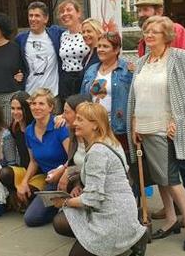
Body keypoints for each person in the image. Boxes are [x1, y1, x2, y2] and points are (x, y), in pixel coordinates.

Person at [127, 16, 185, 252]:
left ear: (167, 36)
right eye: (147, 32)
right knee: (160, 177)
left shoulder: (179, 57)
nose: (149, 36)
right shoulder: (141, 62)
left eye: (155, 32)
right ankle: (170, 219)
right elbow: (135, 96)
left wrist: (177, 121)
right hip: (144, 129)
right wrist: (134, 125)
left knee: (170, 179)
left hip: (165, 128)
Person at [52, 102, 148, 256]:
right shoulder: (110, 141)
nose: (75, 123)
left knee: (63, 224)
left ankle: (132, 237)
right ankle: (132, 234)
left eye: (80, 119)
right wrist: (80, 186)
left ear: (95, 125)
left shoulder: (97, 151)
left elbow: (93, 199)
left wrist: (64, 201)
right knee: (61, 221)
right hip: (123, 208)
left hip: (112, 216)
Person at [17, 88, 69, 227]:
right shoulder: (29, 130)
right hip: (48, 180)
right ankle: (58, 207)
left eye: (41, 104)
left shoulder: (60, 126)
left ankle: (64, 207)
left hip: (66, 177)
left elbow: (72, 158)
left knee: (32, 218)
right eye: (33, 104)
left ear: (50, 107)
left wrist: (62, 172)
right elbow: (33, 161)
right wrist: (24, 182)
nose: (36, 107)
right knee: (31, 219)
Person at [80, 32, 133, 152]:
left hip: (117, 127)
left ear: (116, 49)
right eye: (99, 46)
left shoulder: (127, 70)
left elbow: (136, 99)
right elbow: (83, 97)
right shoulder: (91, 69)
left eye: (105, 46)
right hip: (94, 127)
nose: (100, 50)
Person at [0, 91, 46, 211]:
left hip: (39, 173)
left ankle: (23, 201)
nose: (15, 112)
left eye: (19, 108)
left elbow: (35, 161)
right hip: (24, 170)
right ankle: (15, 197)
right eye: (12, 108)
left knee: (30, 194)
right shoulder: (15, 127)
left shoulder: (35, 127)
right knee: (4, 173)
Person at [15, 1, 64, 102]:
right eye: (30, 15)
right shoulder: (20, 39)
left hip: (52, 96)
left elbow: (75, 33)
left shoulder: (56, 34)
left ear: (45, 19)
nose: (33, 19)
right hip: (29, 95)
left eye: (37, 15)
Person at [56, 94, 91, 194]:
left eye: (66, 112)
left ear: (79, 114)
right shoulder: (73, 134)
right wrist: (77, 186)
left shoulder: (97, 142)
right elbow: (75, 163)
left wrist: (68, 172)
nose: (62, 116)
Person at [57, 0, 89, 100]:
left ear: (78, 13)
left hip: (83, 78)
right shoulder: (63, 35)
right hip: (65, 81)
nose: (65, 13)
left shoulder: (87, 33)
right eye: (62, 11)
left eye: (69, 10)